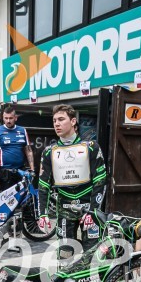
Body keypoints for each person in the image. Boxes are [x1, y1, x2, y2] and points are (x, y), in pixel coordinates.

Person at [36, 104, 107, 255]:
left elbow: (100, 181)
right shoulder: (49, 152)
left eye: (61, 119)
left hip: (89, 207)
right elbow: (43, 185)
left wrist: (94, 211)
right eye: (54, 120)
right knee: (64, 255)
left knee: (93, 255)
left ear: (73, 121)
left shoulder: (91, 147)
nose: (57, 124)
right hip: (64, 209)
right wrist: (42, 214)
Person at [0, 106, 35, 191]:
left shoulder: (23, 131)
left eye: (11, 118)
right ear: (3, 118)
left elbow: (28, 151)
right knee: (7, 199)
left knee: (23, 197)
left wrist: (32, 169)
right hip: (5, 172)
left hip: (21, 170)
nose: (8, 121)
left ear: (15, 118)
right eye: (6, 118)